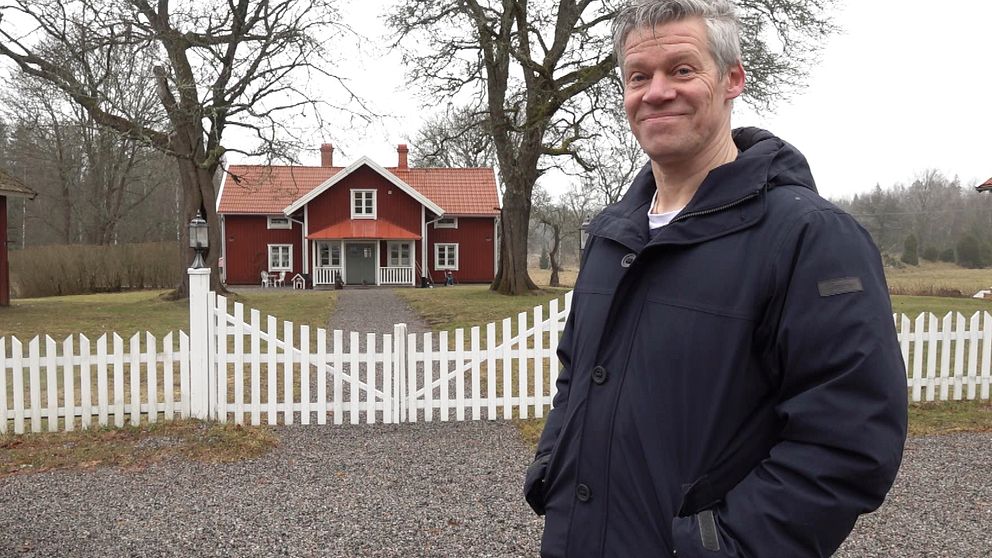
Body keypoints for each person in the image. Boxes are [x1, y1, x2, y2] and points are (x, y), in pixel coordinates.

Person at [522, 1, 908, 557]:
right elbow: (578, 375)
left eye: (681, 69)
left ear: (731, 80)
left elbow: (849, 439)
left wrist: (719, 547)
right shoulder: (612, 238)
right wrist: (550, 472)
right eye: (638, 76)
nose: (656, 91)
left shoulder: (809, 237)